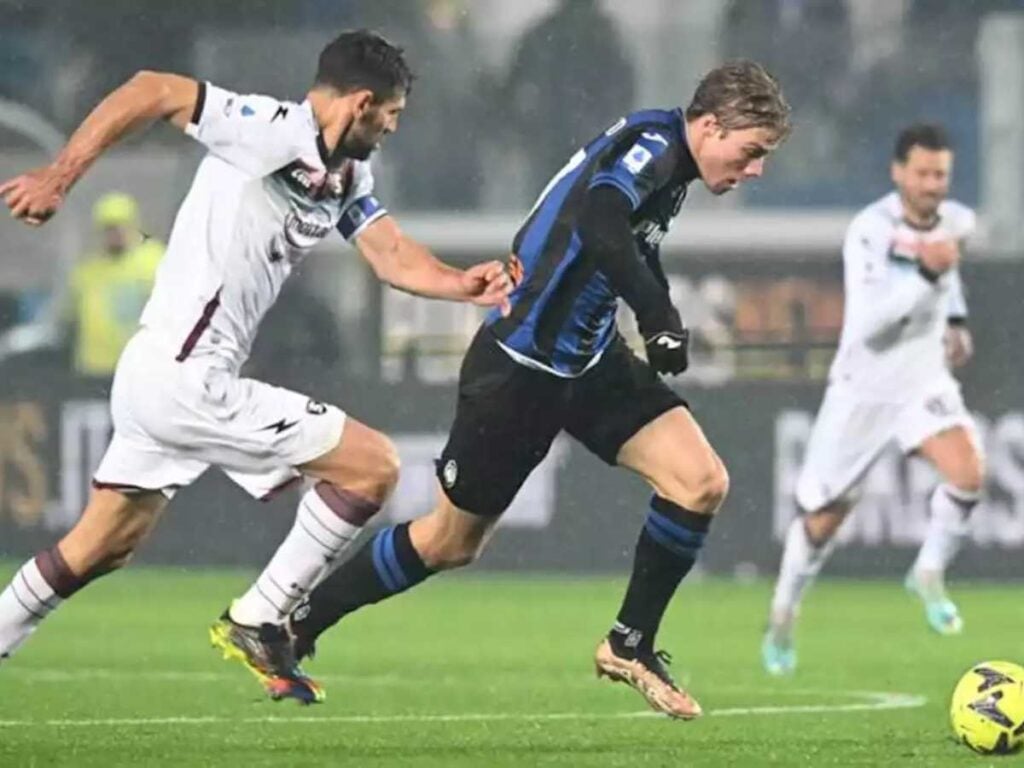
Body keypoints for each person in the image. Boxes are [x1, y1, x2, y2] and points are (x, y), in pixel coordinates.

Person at [0, 30, 511, 705]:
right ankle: (261, 614)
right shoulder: (267, 130)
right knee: (373, 466)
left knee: (100, 547)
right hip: (186, 375)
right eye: (392, 113)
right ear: (361, 103)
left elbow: (390, 254)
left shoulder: (349, 174)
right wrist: (58, 176)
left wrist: (460, 285)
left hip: (161, 377)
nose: (393, 127)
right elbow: (151, 87)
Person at [273, 60, 790, 717]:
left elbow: (630, 241)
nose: (754, 170)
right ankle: (298, 623)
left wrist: (656, 309)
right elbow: (602, 221)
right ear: (710, 125)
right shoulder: (655, 148)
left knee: (700, 481)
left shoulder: (674, 162)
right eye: (751, 153)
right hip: (520, 367)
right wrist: (657, 316)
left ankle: (629, 643)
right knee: (449, 543)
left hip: (590, 359)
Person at [761, 124, 983, 676]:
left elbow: (948, 278)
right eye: (924, 173)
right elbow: (868, 322)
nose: (934, 185)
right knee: (824, 517)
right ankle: (784, 613)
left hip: (923, 379)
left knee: (968, 473)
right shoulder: (869, 231)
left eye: (942, 175)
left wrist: (955, 321)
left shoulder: (956, 223)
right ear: (898, 172)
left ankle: (927, 573)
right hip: (864, 387)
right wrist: (925, 275)